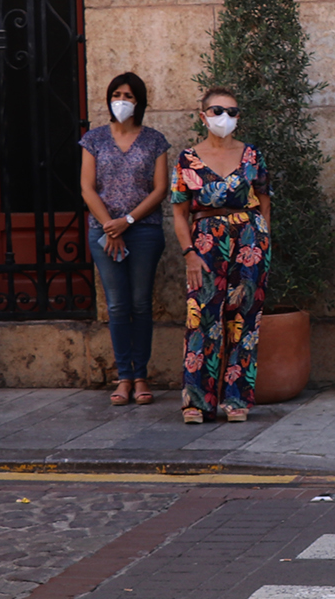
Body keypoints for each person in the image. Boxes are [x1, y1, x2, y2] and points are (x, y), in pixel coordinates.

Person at [170, 87, 272, 425]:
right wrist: (189, 254)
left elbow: (264, 200)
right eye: (216, 111)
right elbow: (180, 213)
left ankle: (236, 398)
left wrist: (263, 240)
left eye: (231, 111)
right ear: (203, 116)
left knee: (245, 321)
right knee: (201, 319)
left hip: (249, 240)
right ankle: (197, 402)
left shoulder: (252, 155)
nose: (224, 117)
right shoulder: (187, 160)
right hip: (205, 244)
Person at [79, 72, 170, 407]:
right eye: (117, 94)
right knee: (117, 305)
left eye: (129, 96)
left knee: (140, 303)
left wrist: (128, 220)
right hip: (103, 232)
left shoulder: (155, 141)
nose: (122, 100)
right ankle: (124, 377)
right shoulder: (94, 139)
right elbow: (87, 187)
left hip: (143, 230)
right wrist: (109, 226)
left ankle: (142, 375)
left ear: (139, 102)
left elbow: (161, 189)